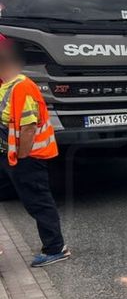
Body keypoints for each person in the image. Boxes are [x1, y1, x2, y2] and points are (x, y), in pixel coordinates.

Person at [0, 34, 69, 267]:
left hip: (29, 157)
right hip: (12, 156)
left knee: (38, 202)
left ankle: (55, 248)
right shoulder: (6, 85)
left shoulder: (22, 87)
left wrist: (20, 159)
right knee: (33, 202)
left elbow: (28, 128)